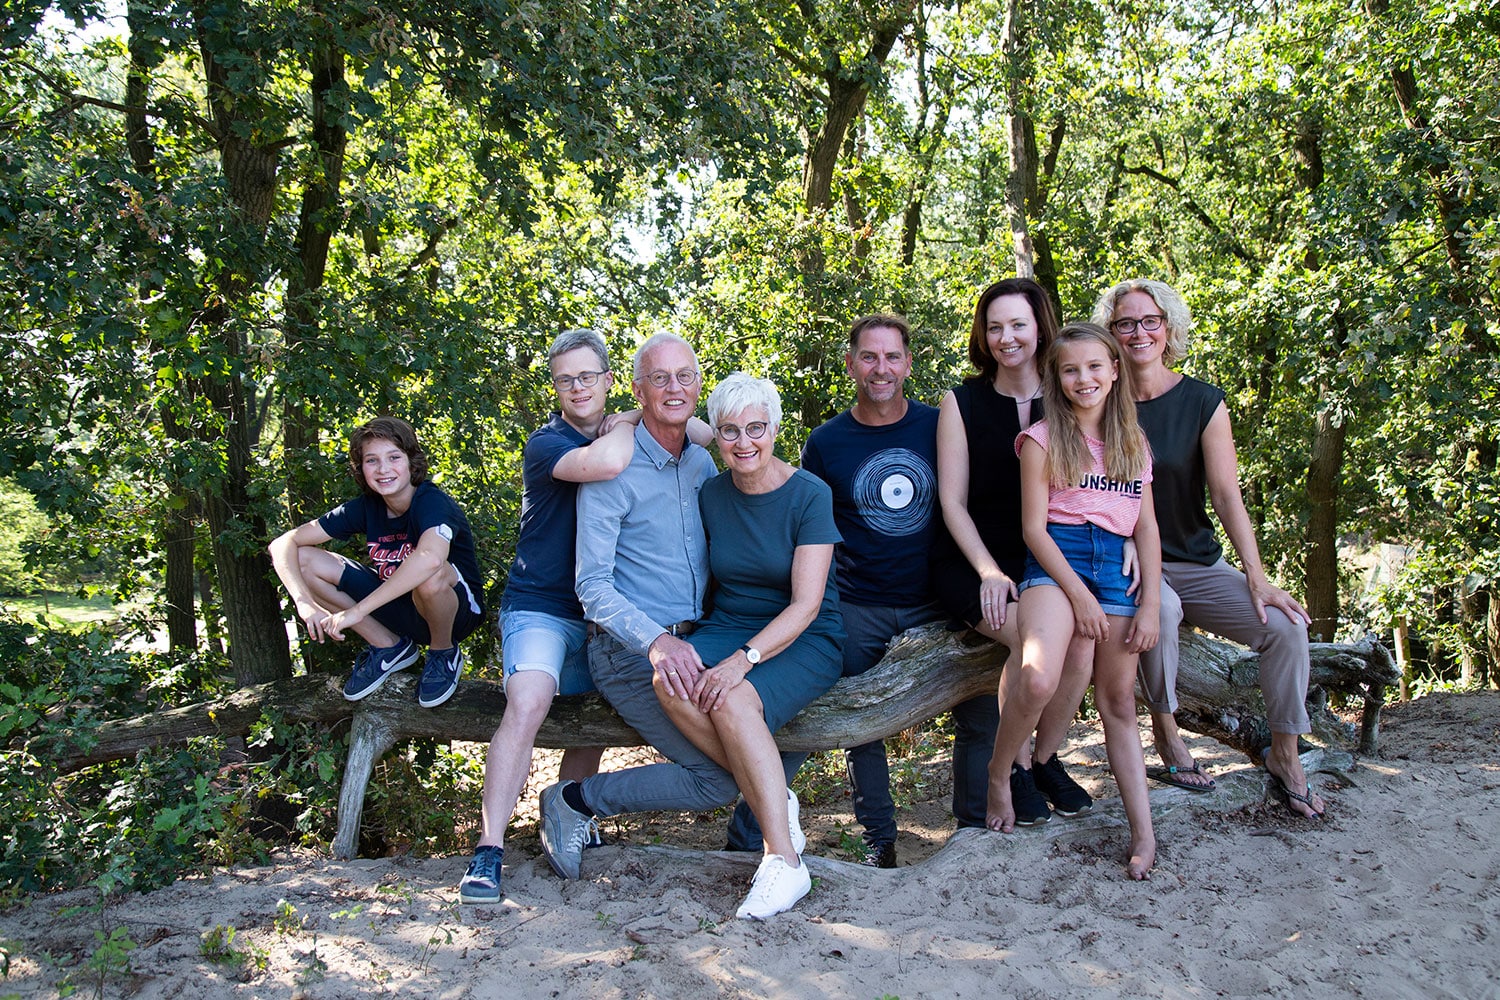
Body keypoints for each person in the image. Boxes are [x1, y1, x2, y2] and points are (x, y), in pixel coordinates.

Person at [536, 336, 806, 918]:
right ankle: (573, 799)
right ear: (637, 391)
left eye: (686, 376)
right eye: (660, 379)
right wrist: (656, 641)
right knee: (717, 781)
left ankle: (779, 826)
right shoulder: (612, 469)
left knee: (749, 741)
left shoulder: (706, 461)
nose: (675, 388)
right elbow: (592, 587)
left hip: (704, 639)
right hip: (633, 650)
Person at [1092, 278, 1327, 819]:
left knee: (1287, 628)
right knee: (1162, 612)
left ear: (1168, 327)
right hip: (1128, 560)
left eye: (1149, 321)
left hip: (1196, 561)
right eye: (1125, 323)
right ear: (1111, 334)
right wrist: (1121, 539)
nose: (1138, 332)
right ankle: (1169, 735)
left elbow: (1226, 494)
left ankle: (1285, 755)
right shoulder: (1098, 398)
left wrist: (1257, 576)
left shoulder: (1203, 401)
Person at [726, 314, 948, 867]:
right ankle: (871, 838)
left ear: (908, 363)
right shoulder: (826, 441)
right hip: (855, 600)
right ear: (851, 364)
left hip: (936, 598)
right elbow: (805, 520)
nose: (881, 368)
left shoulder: (941, 426)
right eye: (868, 357)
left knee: (977, 693)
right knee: (832, 710)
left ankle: (978, 825)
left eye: (892, 357)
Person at [658, 371, 844, 919]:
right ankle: (775, 799)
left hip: (803, 635)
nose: (745, 443)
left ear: (775, 428)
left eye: (756, 428)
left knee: (733, 696)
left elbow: (806, 605)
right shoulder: (711, 493)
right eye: (730, 431)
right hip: (728, 621)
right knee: (670, 679)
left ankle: (783, 862)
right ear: (714, 434)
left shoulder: (809, 494)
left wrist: (744, 661)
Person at [459, 329, 634, 904]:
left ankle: (567, 815)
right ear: (555, 386)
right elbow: (606, 463)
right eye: (566, 378)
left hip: (601, 609)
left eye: (588, 375)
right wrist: (632, 420)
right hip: (539, 604)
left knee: (600, 708)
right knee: (530, 700)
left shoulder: (621, 422)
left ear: (608, 379)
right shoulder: (548, 443)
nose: (578, 387)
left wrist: (640, 408)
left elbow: (703, 431)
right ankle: (488, 851)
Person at [991, 322, 1161, 880]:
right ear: (1056, 378)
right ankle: (999, 773)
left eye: (1095, 367)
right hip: (1056, 560)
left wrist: (1152, 603)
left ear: (1115, 371)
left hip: (1116, 570)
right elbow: (1034, 531)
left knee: (1118, 702)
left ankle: (1143, 835)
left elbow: (1146, 528)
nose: (1083, 378)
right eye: (1070, 369)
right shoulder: (1040, 440)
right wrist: (1079, 594)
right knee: (1039, 676)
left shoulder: (1133, 444)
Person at [932, 278, 1099, 827]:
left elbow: (1110, 481)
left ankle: (1044, 760)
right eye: (995, 326)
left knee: (1080, 644)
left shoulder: (1069, 395)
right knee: (1034, 645)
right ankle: (1014, 769)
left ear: (1040, 327)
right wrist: (987, 571)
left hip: (1051, 559)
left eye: (1018, 325)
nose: (1006, 337)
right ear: (982, 334)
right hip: (974, 562)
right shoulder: (961, 403)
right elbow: (952, 503)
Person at [267, 416, 484, 709]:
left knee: (429, 573)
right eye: (372, 460)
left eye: (394, 457)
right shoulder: (367, 507)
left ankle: (443, 653)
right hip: (400, 609)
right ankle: (388, 646)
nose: (383, 469)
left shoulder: (432, 502)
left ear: (411, 462)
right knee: (304, 559)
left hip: (454, 613)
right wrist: (304, 603)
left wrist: (356, 612)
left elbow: (430, 558)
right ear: (361, 468)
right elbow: (283, 543)